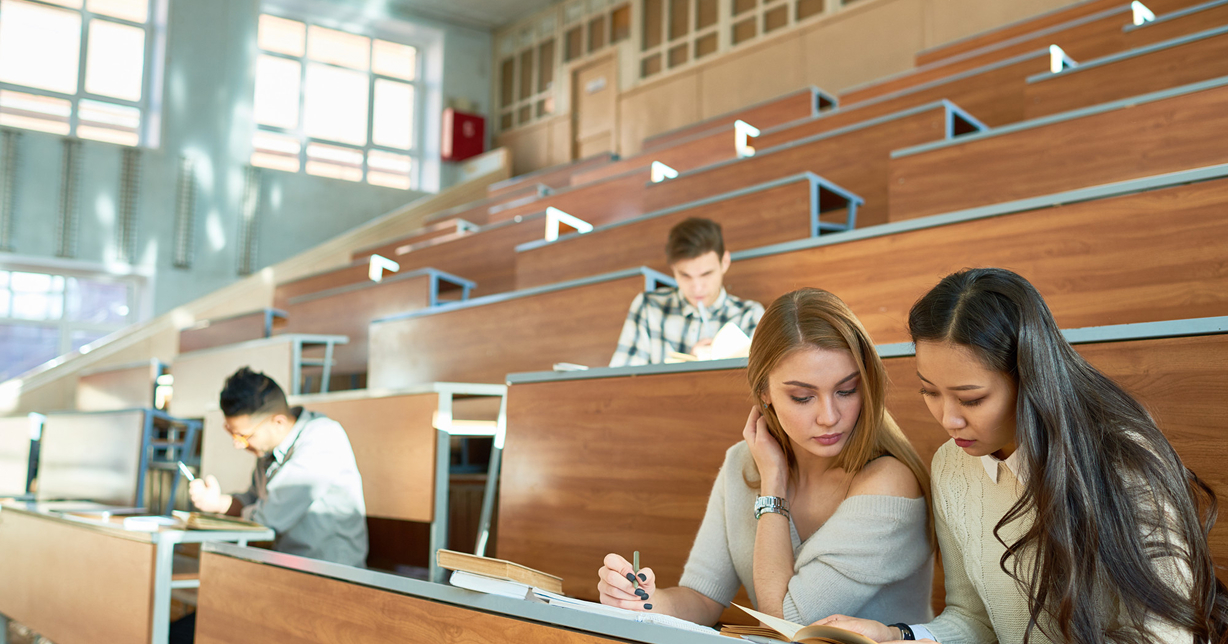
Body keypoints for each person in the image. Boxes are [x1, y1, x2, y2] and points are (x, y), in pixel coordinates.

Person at [816, 268, 1228, 643]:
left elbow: (1167, 635)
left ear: (1029, 379)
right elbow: (973, 619)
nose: (949, 419)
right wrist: (895, 636)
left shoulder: (1123, 460)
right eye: (930, 392)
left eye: (971, 399)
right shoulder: (950, 466)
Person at [597, 288, 934, 626]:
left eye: (846, 390)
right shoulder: (742, 462)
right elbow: (702, 597)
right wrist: (646, 602)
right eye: (803, 397)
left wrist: (773, 488)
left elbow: (785, 622)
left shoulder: (890, 483)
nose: (829, 416)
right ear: (764, 392)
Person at [189, 367, 368, 567]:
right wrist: (215, 502)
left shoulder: (322, 439)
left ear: (278, 422)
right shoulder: (269, 450)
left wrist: (223, 507)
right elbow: (253, 499)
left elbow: (267, 518)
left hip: (331, 575)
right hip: (288, 567)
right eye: (231, 433)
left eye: (244, 437)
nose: (237, 444)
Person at [609, 217, 764, 367]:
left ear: (724, 262)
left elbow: (757, 387)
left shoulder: (749, 315)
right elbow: (622, 382)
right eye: (685, 275)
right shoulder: (648, 307)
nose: (696, 287)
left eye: (706, 274)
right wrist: (688, 367)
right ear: (673, 269)